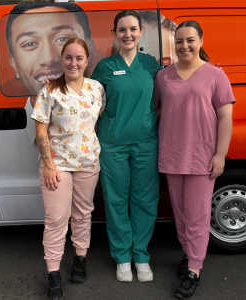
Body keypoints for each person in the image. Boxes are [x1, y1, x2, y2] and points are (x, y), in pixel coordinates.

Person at [0, 2, 96, 224]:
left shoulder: (103, 110)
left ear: (87, 49)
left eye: (62, 39)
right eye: (30, 43)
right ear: (13, 62)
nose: (50, 57)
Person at [154, 20, 235, 299]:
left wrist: (220, 154)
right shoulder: (162, 77)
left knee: (198, 216)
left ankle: (194, 270)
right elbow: (152, 113)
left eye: (190, 40)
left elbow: (225, 117)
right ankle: (189, 255)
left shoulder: (215, 75)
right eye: (179, 41)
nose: (184, 46)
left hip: (202, 158)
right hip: (172, 155)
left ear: (201, 41)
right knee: (181, 214)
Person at [31, 38, 105, 300]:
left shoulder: (96, 89)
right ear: (62, 60)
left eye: (79, 58)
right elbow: (40, 129)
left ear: (87, 61)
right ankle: (53, 273)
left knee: (83, 214)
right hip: (57, 166)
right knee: (56, 219)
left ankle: (80, 258)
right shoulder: (50, 91)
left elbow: (94, 124)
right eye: (69, 58)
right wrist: (48, 165)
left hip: (87, 164)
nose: (73, 62)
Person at [91, 10, 160, 283]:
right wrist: (55, 85)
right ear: (114, 33)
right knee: (116, 200)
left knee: (144, 200)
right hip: (113, 144)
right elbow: (85, 99)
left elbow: (181, 82)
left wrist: (211, 68)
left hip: (146, 142)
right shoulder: (104, 67)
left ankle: (141, 256)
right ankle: (122, 257)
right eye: (122, 29)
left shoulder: (150, 64)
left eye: (132, 29)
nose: (127, 34)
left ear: (141, 31)